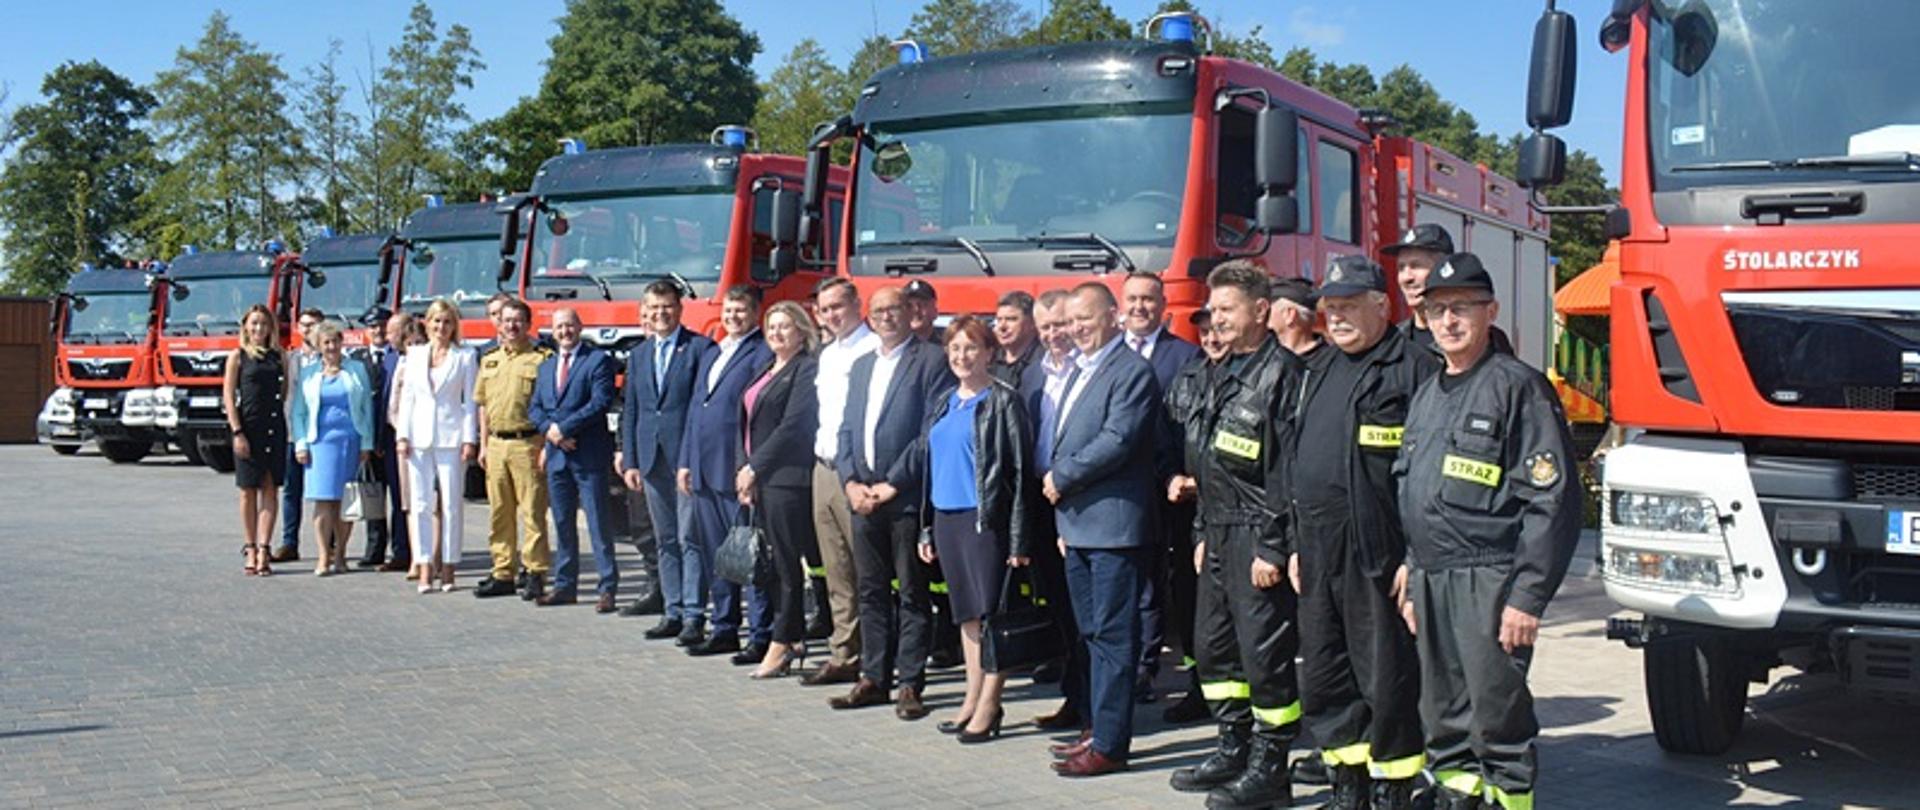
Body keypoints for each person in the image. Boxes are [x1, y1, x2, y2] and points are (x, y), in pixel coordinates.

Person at [1395, 253, 1581, 810]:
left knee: (1496, 712)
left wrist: (1527, 597)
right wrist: (1413, 566)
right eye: (1436, 310)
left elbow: (1552, 500)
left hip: (1489, 579)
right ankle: (1458, 797)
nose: (1447, 321)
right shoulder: (1429, 393)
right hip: (1432, 578)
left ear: (1490, 311)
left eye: (1461, 309)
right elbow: (1416, 488)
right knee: (1444, 715)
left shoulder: (1517, 387)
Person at [1285, 255, 1441, 809]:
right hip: (1320, 545)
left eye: (1350, 304)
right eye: (1331, 306)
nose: (1338, 315)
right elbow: (1295, 457)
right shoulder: (1320, 368)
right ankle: (1346, 786)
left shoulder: (1416, 367)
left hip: (1380, 549)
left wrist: (1414, 557)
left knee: (1387, 677)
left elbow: (1429, 476)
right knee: (1327, 674)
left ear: (1382, 305)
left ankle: (1392, 790)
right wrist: (1297, 543)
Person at [1167, 262, 1305, 809]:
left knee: (1264, 657)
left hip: (1257, 537)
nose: (1216, 320)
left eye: (1227, 309)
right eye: (1214, 310)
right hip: (1218, 532)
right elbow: (1208, 462)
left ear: (1261, 312)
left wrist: (1274, 544)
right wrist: (1201, 527)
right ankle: (1234, 747)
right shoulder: (1220, 372)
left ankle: (1272, 768)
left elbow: (1287, 472)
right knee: (1215, 651)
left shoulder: (1282, 375)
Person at [1044, 282, 1160, 778]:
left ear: (1113, 316)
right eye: (1070, 322)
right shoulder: (1081, 370)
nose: (1075, 330)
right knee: (1091, 633)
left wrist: (1062, 477)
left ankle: (1111, 744)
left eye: (1084, 319)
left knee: (1114, 636)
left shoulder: (1131, 371)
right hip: (1079, 526)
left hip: (1114, 528)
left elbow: (1118, 439)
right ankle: (1096, 726)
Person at [828, 286, 954, 720]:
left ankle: (909, 683)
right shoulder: (862, 365)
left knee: (913, 592)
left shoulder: (931, 361)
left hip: (903, 498)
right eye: (877, 311)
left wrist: (891, 486)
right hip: (861, 496)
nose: (885, 317)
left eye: (893, 309)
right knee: (871, 591)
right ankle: (873, 677)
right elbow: (845, 428)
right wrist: (849, 483)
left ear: (909, 312)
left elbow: (928, 434)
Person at [908, 316, 1035, 744]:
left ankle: (990, 704)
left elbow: (1018, 472)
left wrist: (1018, 538)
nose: (962, 357)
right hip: (947, 518)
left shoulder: (1003, 401)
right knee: (965, 616)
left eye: (971, 349)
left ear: (990, 354)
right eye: (955, 349)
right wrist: (926, 529)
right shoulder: (944, 400)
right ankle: (971, 696)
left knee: (990, 615)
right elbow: (929, 468)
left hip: (986, 520)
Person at [678, 287, 772, 657]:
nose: (733, 316)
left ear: (755, 313)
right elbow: (695, 410)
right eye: (729, 310)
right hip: (703, 469)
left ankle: (760, 633)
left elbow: (756, 413)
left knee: (748, 554)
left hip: (733, 469)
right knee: (717, 555)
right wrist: (686, 460)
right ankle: (724, 627)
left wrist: (749, 466)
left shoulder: (761, 352)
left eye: (741, 310)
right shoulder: (713, 351)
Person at [1120, 271, 1199, 702]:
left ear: (1163, 306)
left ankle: (1147, 669)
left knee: (1161, 581)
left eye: (1148, 300)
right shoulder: (1107, 355)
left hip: (1167, 489)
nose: (1139, 307)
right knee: (1131, 580)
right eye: (1132, 299)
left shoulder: (1185, 357)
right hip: (1121, 490)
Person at [621, 281, 717, 640]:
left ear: (679, 309)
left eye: (667, 307)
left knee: (690, 537)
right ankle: (672, 610)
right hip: (650, 458)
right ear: (644, 311)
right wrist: (630, 458)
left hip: (685, 461)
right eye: (653, 308)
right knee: (665, 539)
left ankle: (694, 614)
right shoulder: (639, 355)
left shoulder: (699, 349)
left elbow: (699, 410)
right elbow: (632, 409)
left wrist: (691, 459)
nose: (660, 314)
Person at [735, 301, 821, 678]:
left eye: (785, 326)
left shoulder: (805, 369)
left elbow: (793, 426)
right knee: (769, 564)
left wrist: (756, 467)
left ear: (802, 331)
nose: (776, 333)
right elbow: (748, 422)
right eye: (771, 326)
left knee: (787, 566)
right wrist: (746, 469)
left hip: (788, 479)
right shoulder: (766, 369)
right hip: (760, 479)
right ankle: (788, 636)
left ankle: (783, 641)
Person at [804, 278, 880, 686]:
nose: (832, 315)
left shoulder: (873, 350)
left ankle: (876, 656)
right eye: (824, 309)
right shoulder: (828, 354)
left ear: (857, 304)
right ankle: (843, 652)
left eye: (838, 306)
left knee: (867, 571)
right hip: (824, 467)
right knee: (836, 569)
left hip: (858, 473)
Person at [1019, 289, 1087, 733]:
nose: (1053, 335)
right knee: (1061, 609)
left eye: (1060, 325)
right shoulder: (1031, 376)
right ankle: (1073, 696)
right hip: (1040, 501)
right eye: (1045, 328)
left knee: (1088, 615)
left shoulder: (1090, 372)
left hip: (1080, 503)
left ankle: (1090, 707)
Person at [530, 307, 620, 611]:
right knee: (562, 522)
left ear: (580, 327)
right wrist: (551, 433)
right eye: (559, 327)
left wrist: (564, 428)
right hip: (557, 456)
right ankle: (565, 585)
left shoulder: (597, 361)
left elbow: (600, 402)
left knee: (597, 522)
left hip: (588, 454)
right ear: (552, 332)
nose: (565, 332)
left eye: (570, 325)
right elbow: (535, 408)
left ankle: (607, 587)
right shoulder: (546, 367)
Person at [471, 300, 554, 601]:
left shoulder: (542, 358)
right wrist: (482, 444)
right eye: (506, 321)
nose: (511, 326)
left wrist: (545, 445)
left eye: (518, 320)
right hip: (495, 444)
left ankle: (534, 572)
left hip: (527, 443)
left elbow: (550, 405)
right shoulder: (489, 359)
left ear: (528, 324)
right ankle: (502, 571)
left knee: (532, 512)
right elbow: (482, 406)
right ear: (498, 324)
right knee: (499, 512)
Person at [395, 299, 479, 594]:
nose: (441, 327)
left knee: (452, 504)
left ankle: (449, 566)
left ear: (454, 325)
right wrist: (402, 435)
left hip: (450, 437)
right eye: (436, 321)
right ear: (426, 324)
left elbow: (470, 402)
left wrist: (470, 438)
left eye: (446, 322)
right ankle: (424, 565)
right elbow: (408, 399)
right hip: (418, 438)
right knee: (419, 504)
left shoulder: (465, 356)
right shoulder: (414, 355)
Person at [291, 320, 376, 577]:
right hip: (319, 443)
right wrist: (301, 444)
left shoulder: (356, 369)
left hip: (349, 440)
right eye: (326, 342)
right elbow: (299, 413)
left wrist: (366, 443)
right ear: (319, 346)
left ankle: (341, 554)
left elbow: (366, 410)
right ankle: (322, 556)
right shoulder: (309, 374)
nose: (332, 347)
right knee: (323, 501)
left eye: (336, 341)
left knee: (345, 502)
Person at [223, 304, 289, 577]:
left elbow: (284, 392)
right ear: (246, 327)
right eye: (254, 324)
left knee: (270, 488)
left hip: (273, 428)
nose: (259, 329)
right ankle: (250, 547)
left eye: (264, 324)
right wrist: (237, 431)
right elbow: (228, 396)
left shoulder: (280, 356)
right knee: (248, 490)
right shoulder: (237, 357)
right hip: (248, 429)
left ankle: (264, 548)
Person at [1384, 225, 1513, 357]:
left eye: (1416, 266)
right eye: (1401, 268)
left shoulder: (1482, 340)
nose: (1406, 278)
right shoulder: (1392, 341)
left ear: (1443, 269)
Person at [269, 308, 324, 564]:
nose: (308, 330)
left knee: (326, 492)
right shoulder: (290, 359)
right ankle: (290, 542)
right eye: (303, 325)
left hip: (323, 433)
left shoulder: (332, 357)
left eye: (313, 325)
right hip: (294, 432)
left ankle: (330, 544)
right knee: (292, 490)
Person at [355, 313, 404, 570]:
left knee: (398, 497)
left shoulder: (398, 357)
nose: (378, 330)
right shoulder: (356, 360)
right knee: (371, 496)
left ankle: (400, 550)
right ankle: (374, 549)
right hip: (366, 438)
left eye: (383, 326)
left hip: (392, 437)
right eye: (373, 326)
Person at [366, 312, 414, 573]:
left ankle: (404, 551)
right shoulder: (390, 359)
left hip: (407, 436)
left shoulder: (414, 357)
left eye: (392, 331)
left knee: (402, 497)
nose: (387, 335)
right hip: (387, 434)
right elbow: (384, 400)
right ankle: (388, 548)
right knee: (391, 495)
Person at [989, 290, 1040, 386]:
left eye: (1011, 319)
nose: (1002, 327)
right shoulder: (989, 361)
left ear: (1033, 322)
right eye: (999, 320)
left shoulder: (1045, 363)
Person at [1267, 277, 1323, 358]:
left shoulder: (1334, 362)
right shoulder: (1266, 358)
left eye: (1269, 309)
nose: (1262, 315)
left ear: (1289, 315)